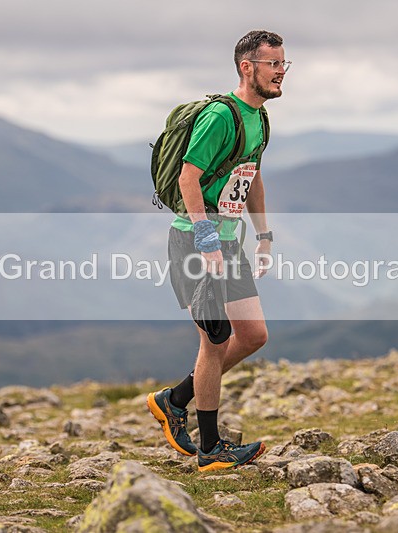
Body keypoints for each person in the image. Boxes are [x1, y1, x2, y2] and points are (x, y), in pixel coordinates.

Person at [147, 30, 289, 472]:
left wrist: (263, 236)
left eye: (284, 64)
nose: (281, 72)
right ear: (248, 67)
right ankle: (210, 449)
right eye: (273, 64)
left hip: (230, 241)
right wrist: (206, 236)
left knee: (253, 336)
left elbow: (252, 179)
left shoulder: (259, 119)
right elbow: (189, 177)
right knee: (215, 339)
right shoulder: (220, 116)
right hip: (195, 239)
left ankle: (175, 400)